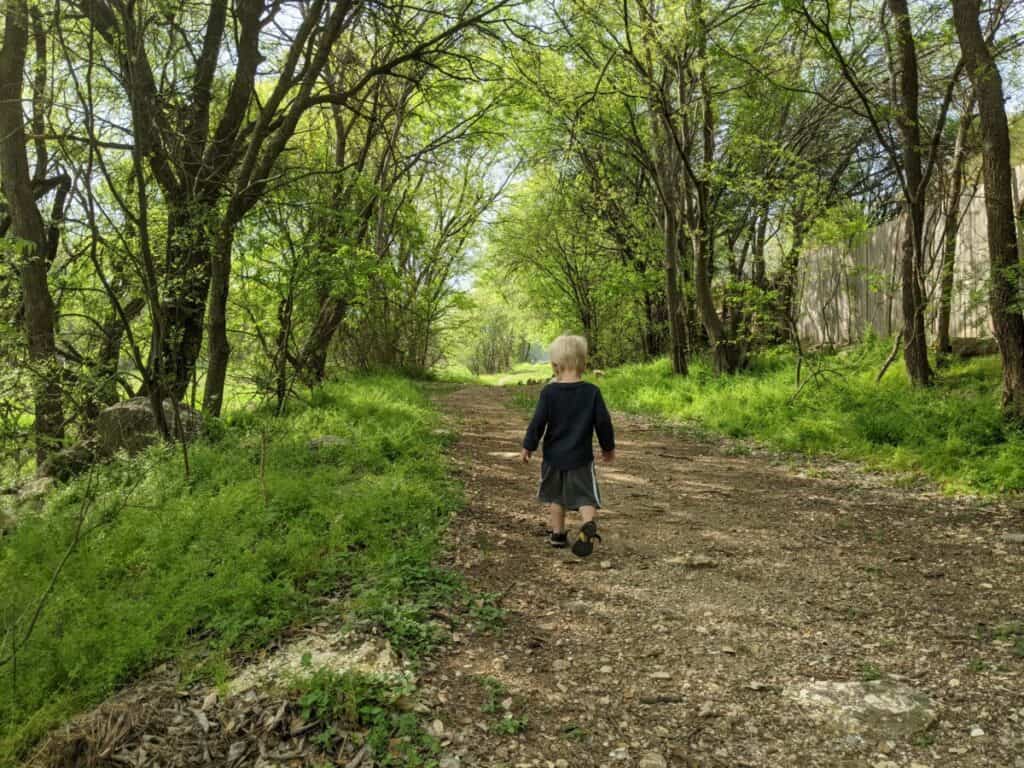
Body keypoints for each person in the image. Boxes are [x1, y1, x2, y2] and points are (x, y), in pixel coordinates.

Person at [520, 335, 615, 557]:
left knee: (556, 497)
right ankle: (588, 523)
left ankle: (558, 534)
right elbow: (603, 423)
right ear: (584, 364)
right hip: (580, 457)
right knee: (585, 496)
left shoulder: (549, 392)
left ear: (555, 366)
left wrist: (528, 446)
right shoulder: (592, 392)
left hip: (553, 458)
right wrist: (607, 447)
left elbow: (537, 423)